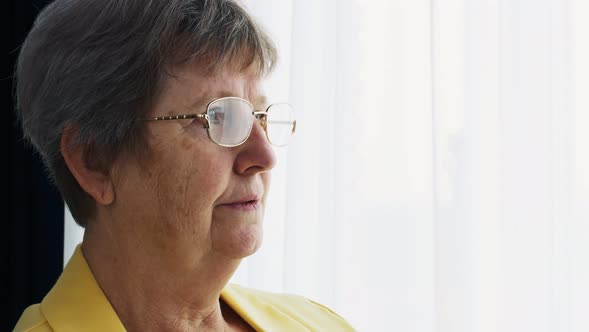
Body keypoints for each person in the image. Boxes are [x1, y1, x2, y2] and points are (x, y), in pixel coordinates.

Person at [13, 0, 354, 331]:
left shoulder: (319, 324)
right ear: (94, 161)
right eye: (219, 117)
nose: (264, 157)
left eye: (259, 116)